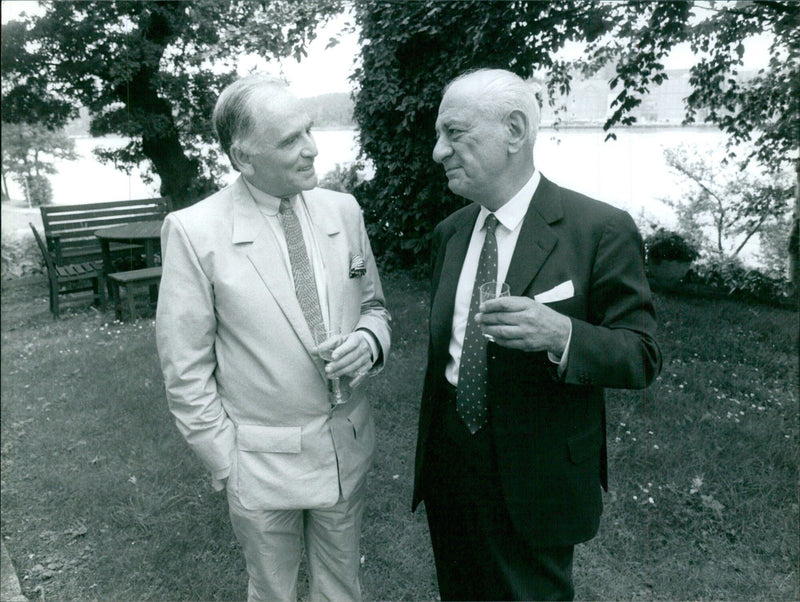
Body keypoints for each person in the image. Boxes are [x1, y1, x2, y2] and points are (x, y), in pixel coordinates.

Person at [412, 68, 662, 601]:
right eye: (440, 135)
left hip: (539, 472)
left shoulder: (598, 229)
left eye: (454, 134)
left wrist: (561, 333)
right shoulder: (451, 233)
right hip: (452, 464)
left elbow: (641, 354)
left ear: (515, 130)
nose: (438, 152)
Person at [156, 74, 391, 602]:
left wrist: (369, 343)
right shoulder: (195, 232)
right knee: (273, 594)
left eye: (308, 129)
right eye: (289, 140)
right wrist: (227, 461)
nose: (312, 148)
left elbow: (375, 307)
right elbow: (184, 371)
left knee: (342, 591)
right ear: (244, 158)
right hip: (259, 463)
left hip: (346, 448)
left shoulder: (343, 211)